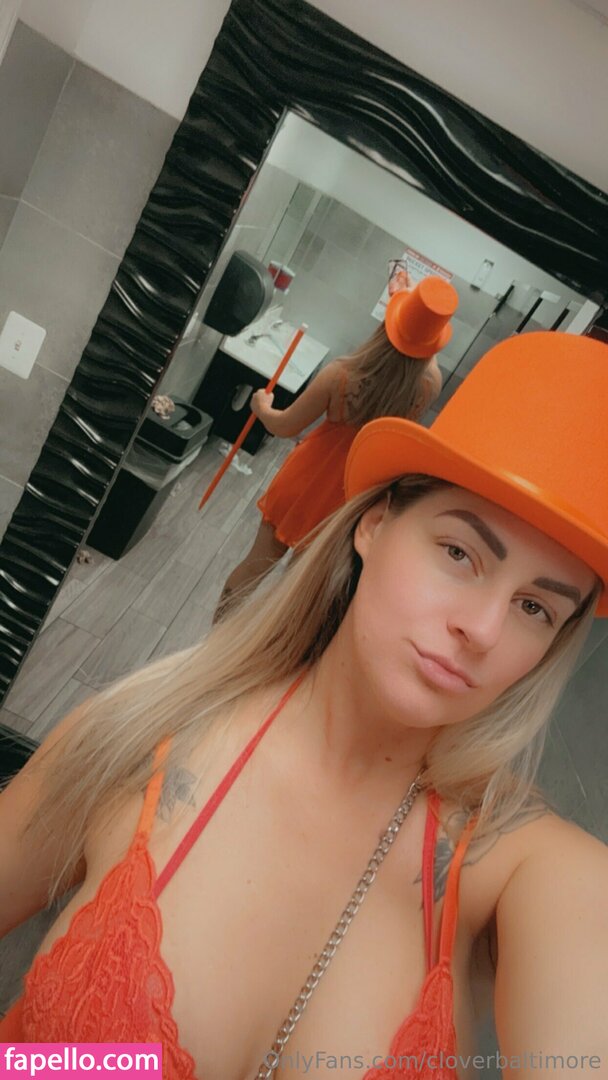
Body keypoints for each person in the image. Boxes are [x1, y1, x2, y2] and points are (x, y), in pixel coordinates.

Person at [1, 330, 607, 1080]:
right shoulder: (137, 741)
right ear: (375, 525)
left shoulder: (521, 868)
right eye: (459, 553)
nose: (482, 630)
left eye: (535, 609)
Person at [213, 274, 458, 620]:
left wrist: (261, 406)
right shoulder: (428, 386)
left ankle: (217, 637)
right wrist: (409, 312)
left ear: (386, 328)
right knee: (298, 590)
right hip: (349, 496)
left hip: (303, 483)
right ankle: (269, 647)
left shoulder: (341, 374)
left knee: (255, 566)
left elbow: (284, 427)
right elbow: (416, 351)